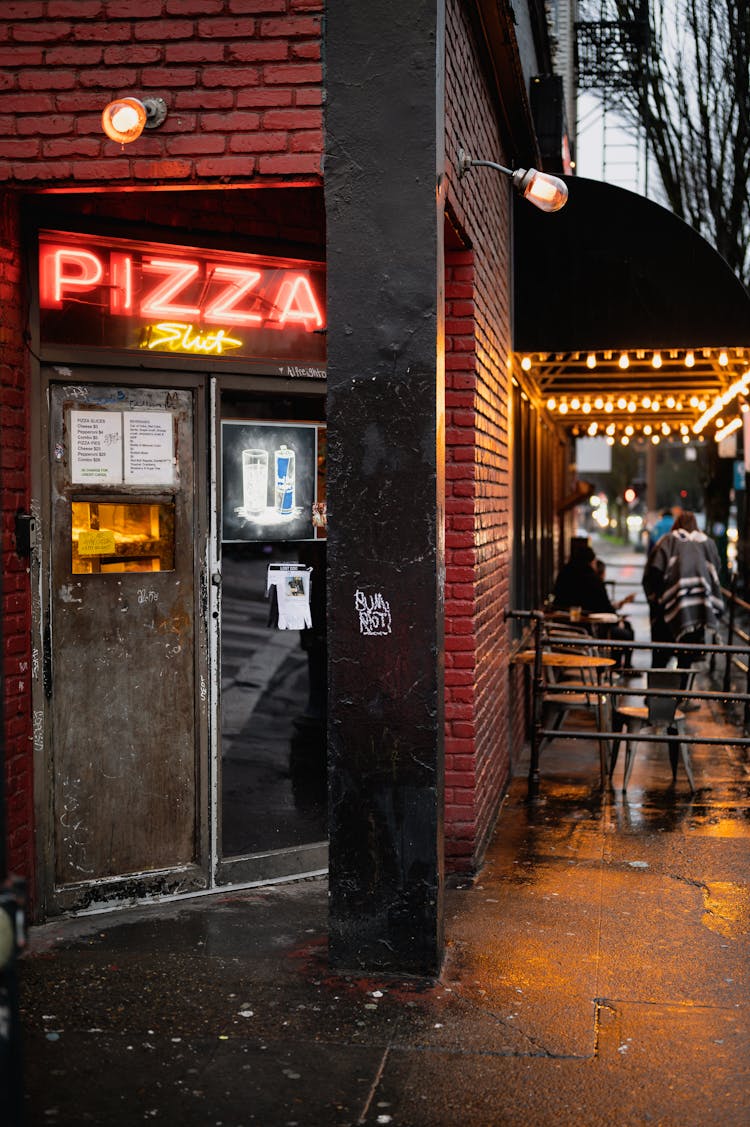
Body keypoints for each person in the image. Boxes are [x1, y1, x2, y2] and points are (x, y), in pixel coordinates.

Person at [642, 510, 724, 682]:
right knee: (685, 661)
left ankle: (654, 697)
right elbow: (716, 572)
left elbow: (652, 572)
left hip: (665, 614)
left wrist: (658, 599)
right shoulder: (707, 544)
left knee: (659, 659)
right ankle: (679, 699)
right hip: (696, 615)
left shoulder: (668, 541)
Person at [551, 545, 635, 669]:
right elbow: (605, 607)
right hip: (589, 628)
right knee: (626, 634)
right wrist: (617, 620)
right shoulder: (593, 580)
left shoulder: (564, 574)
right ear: (591, 561)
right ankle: (618, 667)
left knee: (623, 629)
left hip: (563, 625)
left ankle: (619, 667)